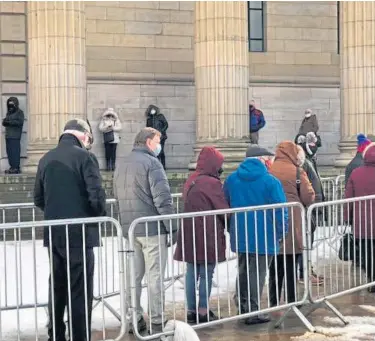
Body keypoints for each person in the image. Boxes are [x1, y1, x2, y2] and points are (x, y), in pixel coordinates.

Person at [34, 118, 107, 341]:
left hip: (54, 233)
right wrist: (95, 215)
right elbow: (97, 198)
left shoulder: (45, 158)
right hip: (79, 234)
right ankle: (79, 336)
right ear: (83, 136)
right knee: (79, 291)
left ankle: (55, 334)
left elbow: (38, 197)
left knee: (56, 286)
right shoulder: (86, 157)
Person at [114, 127, 177, 335]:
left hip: (131, 229)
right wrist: (172, 226)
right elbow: (163, 199)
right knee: (155, 277)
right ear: (149, 142)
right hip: (151, 229)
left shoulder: (121, 164)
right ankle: (157, 320)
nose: (160, 144)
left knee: (133, 277)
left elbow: (117, 196)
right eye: (158, 140)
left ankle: (134, 317)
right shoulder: (152, 163)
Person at [223, 145, 288, 325]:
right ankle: (253, 310)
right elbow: (280, 210)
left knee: (243, 270)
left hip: (241, 232)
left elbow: (226, 204)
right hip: (264, 234)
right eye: (269, 159)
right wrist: (282, 231)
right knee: (258, 273)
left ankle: (243, 306)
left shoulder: (231, 179)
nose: (271, 162)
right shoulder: (270, 181)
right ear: (262, 159)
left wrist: (231, 227)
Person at [174, 146, 229, 324]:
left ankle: (191, 310)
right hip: (207, 233)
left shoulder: (192, 179)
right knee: (206, 272)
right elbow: (223, 210)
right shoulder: (211, 183)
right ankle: (203, 310)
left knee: (191, 271)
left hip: (189, 232)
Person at [268, 141, 315, 307]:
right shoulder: (297, 171)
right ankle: (292, 300)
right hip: (293, 219)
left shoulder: (269, 169)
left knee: (275, 265)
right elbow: (308, 195)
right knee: (291, 262)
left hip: (272, 220)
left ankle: (273, 300)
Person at [345, 142, 375, 293]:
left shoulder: (356, 173)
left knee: (366, 252)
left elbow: (348, 198)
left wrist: (346, 217)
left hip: (363, 224)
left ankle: (371, 279)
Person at [295, 134, 325, 285]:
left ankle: (306, 271)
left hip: (310, 209)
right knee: (304, 243)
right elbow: (307, 190)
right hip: (305, 210)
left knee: (307, 243)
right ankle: (303, 273)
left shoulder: (309, 161)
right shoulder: (302, 165)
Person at [2, 97, 24, 174]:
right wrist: (5, 122)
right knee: (9, 152)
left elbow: (20, 122)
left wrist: (10, 122)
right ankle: (12, 167)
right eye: (9, 104)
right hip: (8, 136)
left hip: (15, 136)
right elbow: (5, 122)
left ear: (15, 104)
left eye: (12, 104)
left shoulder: (19, 112)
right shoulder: (8, 113)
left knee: (15, 152)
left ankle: (16, 167)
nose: (10, 106)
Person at [146, 104, 168, 170]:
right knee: (154, 151)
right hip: (153, 138)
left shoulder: (160, 116)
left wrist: (161, 132)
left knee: (161, 151)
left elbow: (166, 125)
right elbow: (148, 129)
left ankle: (163, 166)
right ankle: (156, 165)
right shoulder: (149, 119)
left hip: (161, 136)